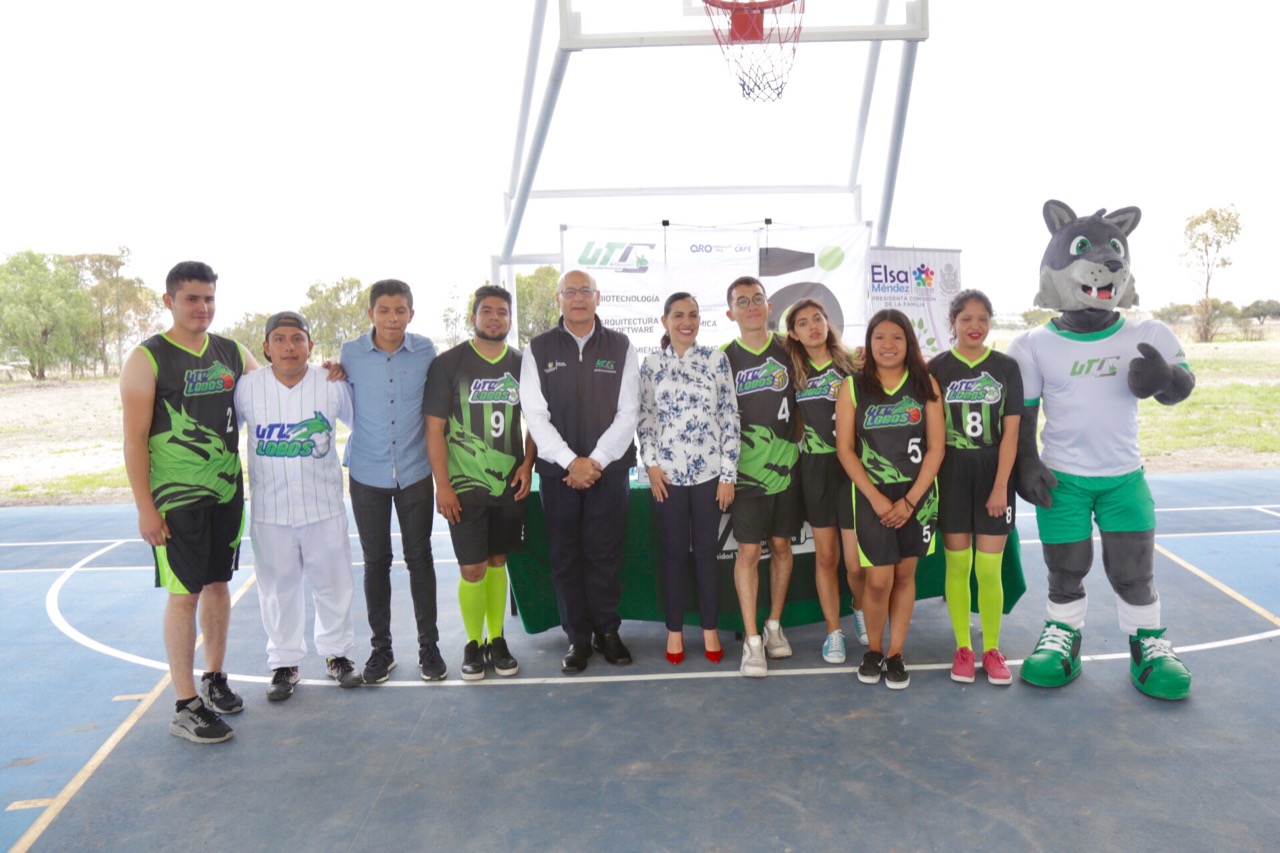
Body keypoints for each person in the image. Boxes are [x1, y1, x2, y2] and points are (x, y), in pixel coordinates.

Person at [120, 261, 258, 743]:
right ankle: (184, 704)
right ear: (170, 301)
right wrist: (144, 507)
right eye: (192, 299)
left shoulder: (233, 352)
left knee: (219, 585)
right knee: (185, 595)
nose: (203, 308)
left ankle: (214, 678)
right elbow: (135, 439)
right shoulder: (148, 358)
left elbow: (278, 392)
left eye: (209, 299)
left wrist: (326, 372)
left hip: (226, 492)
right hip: (177, 499)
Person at [234, 311, 363, 700]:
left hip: (322, 506)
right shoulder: (246, 389)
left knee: (334, 585)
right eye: (279, 339)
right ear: (266, 346)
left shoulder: (330, 384)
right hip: (270, 511)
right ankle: (284, 663)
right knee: (277, 589)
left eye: (297, 338)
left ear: (310, 343)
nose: (289, 347)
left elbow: (363, 425)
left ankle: (337, 656)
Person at [519, 270, 639, 674]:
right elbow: (535, 415)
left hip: (610, 472)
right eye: (569, 292)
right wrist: (572, 462)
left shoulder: (621, 346)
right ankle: (578, 639)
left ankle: (608, 631)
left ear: (597, 297)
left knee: (605, 555)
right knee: (566, 557)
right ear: (558, 300)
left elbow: (629, 413)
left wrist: (596, 461)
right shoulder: (537, 349)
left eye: (584, 291)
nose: (578, 298)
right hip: (559, 475)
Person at [424, 285, 535, 681]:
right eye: (486, 311)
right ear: (473, 317)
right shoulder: (449, 364)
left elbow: (537, 422)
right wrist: (443, 485)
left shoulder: (524, 364)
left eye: (501, 312)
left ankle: (497, 640)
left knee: (498, 561)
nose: (494, 318)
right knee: (472, 568)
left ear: (509, 318)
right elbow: (434, 429)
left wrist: (527, 463)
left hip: (508, 486)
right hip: (464, 487)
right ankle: (474, 642)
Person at [340, 279, 446, 683]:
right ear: (371, 314)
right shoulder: (350, 354)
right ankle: (381, 651)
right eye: (384, 311)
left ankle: (428, 647)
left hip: (416, 472)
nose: (392, 318)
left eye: (400, 311)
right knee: (376, 562)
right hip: (367, 473)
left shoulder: (425, 351)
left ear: (411, 315)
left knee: (420, 560)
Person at [835, 309, 944, 690]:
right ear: (868, 343)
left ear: (908, 343)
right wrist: (877, 499)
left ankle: (896, 653)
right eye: (879, 337)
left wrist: (911, 501)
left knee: (904, 575)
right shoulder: (851, 387)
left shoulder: (926, 384)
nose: (888, 345)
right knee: (877, 581)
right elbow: (846, 450)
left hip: (917, 496)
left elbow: (936, 449)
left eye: (896, 337)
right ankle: (873, 650)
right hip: (872, 497)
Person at [637, 292, 738, 665]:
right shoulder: (649, 365)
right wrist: (650, 464)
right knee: (675, 555)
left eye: (693, 314)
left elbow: (730, 417)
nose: (686, 321)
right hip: (668, 477)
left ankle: (710, 628)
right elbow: (645, 419)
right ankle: (675, 631)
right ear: (664, 321)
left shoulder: (716, 360)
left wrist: (728, 474)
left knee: (708, 556)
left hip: (711, 475)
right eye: (678, 315)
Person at [928, 291, 1022, 685]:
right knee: (958, 564)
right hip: (951, 471)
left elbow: (1011, 433)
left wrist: (1001, 485)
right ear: (952, 323)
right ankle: (963, 647)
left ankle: (992, 649)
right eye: (966, 318)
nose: (975, 326)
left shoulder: (1005, 367)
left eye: (982, 318)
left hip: (992, 471)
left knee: (988, 566)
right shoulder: (937, 369)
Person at [720, 276, 801, 677]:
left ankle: (774, 626)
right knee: (749, 553)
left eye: (757, 299)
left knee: (783, 547)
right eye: (742, 301)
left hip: (787, 470)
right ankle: (752, 642)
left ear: (769, 307)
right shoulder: (722, 358)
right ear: (730, 312)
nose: (751, 306)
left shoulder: (791, 351)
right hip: (745, 476)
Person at [783, 298, 866, 664]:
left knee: (855, 562)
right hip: (815, 469)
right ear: (794, 334)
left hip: (853, 468)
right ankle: (834, 631)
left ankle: (860, 608)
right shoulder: (792, 372)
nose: (813, 326)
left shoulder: (852, 364)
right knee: (827, 556)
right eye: (803, 323)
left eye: (818, 318)